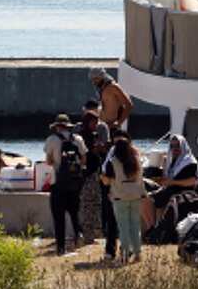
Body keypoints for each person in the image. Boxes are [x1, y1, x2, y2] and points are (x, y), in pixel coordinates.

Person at [44, 113, 88, 256]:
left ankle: (61, 248)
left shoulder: (52, 139)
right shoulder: (78, 139)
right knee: (74, 212)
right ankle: (78, 234)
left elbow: (49, 161)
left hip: (58, 183)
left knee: (59, 217)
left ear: (57, 127)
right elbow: (83, 160)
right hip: (75, 183)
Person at [100, 130, 146, 263]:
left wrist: (102, 177)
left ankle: (125, 254)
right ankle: (137, 254)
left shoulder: (112, 162)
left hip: (120, 198)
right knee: (135, 226)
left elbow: (107, 181)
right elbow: (141, 178)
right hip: (136, 196)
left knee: (123, 227)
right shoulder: (136, 160)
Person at [142, 133, 198, 229]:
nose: (174, 148)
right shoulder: (171, 160)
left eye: (177, 146)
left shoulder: (190, 162)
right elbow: (167, 178)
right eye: (172, 146)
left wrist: (172, 182)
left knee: (148, 199)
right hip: (169, 189)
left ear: (183, 146)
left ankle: (154, 229)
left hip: (181, 192)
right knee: (143, 197)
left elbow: (192, 181)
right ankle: (152, 228)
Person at [77, 102, 109, 246]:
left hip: (95, 173)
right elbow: (88, 154)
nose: (96, 125)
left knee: (95, 203)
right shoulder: (84, 137)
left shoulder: (92, 135)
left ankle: (92, 234)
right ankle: (88, 236)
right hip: (88, 174)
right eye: (94, 122)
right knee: (88, 204)